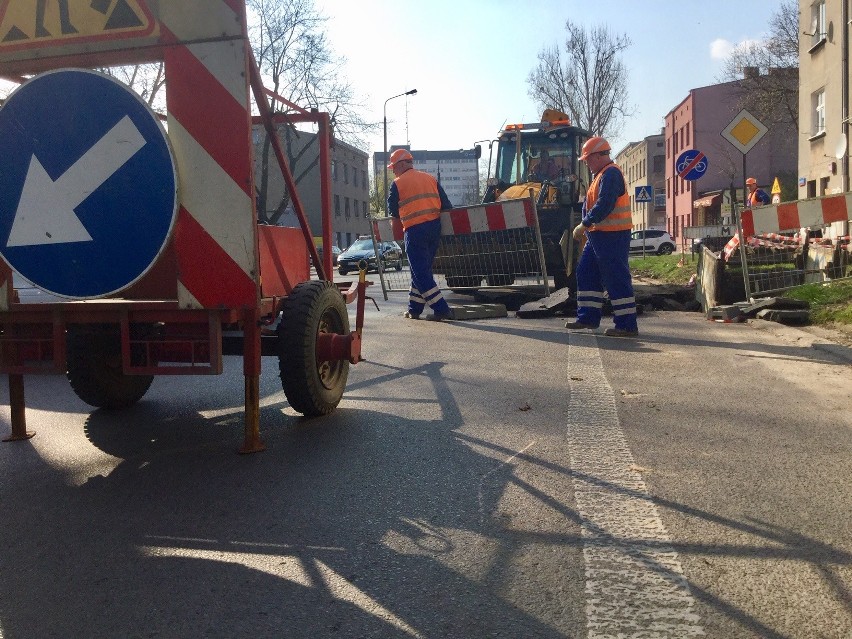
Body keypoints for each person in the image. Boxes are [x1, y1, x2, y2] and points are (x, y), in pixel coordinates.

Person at [564, 136, 638, 337]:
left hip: (612, 236)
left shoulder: (610, 174)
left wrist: (584, 224)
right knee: (586, 272)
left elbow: (605, 204)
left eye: (587, 158)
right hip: (599, 235)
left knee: (616, 278)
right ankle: (587, 318)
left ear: (598, 156)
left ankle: (627, 325)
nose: (586, 162)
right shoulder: (601, 175)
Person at [387, 148, 454, 321]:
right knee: (420, 271)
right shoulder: (429, 178)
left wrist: (397, 233)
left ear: (401, 165)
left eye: (393, 167)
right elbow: (446, 204)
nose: (393, 170)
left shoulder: (398, 183)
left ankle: (441, 309)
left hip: (414, 230)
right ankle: (414, 309)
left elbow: (393, 212)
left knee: (420, 273)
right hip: (434, 228)